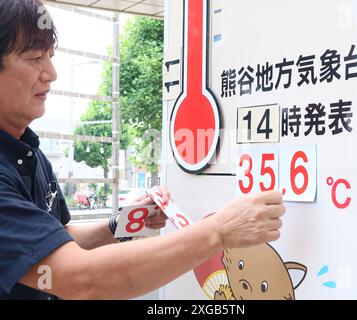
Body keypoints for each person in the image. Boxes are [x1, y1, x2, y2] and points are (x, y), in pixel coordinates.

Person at [0, 0, 285, 300]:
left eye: (50, 56)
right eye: (34, 57)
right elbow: (79, 278)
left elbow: (52, 242)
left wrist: (121, 223)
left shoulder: (28, 151)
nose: (51, 72)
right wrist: (219, 232)